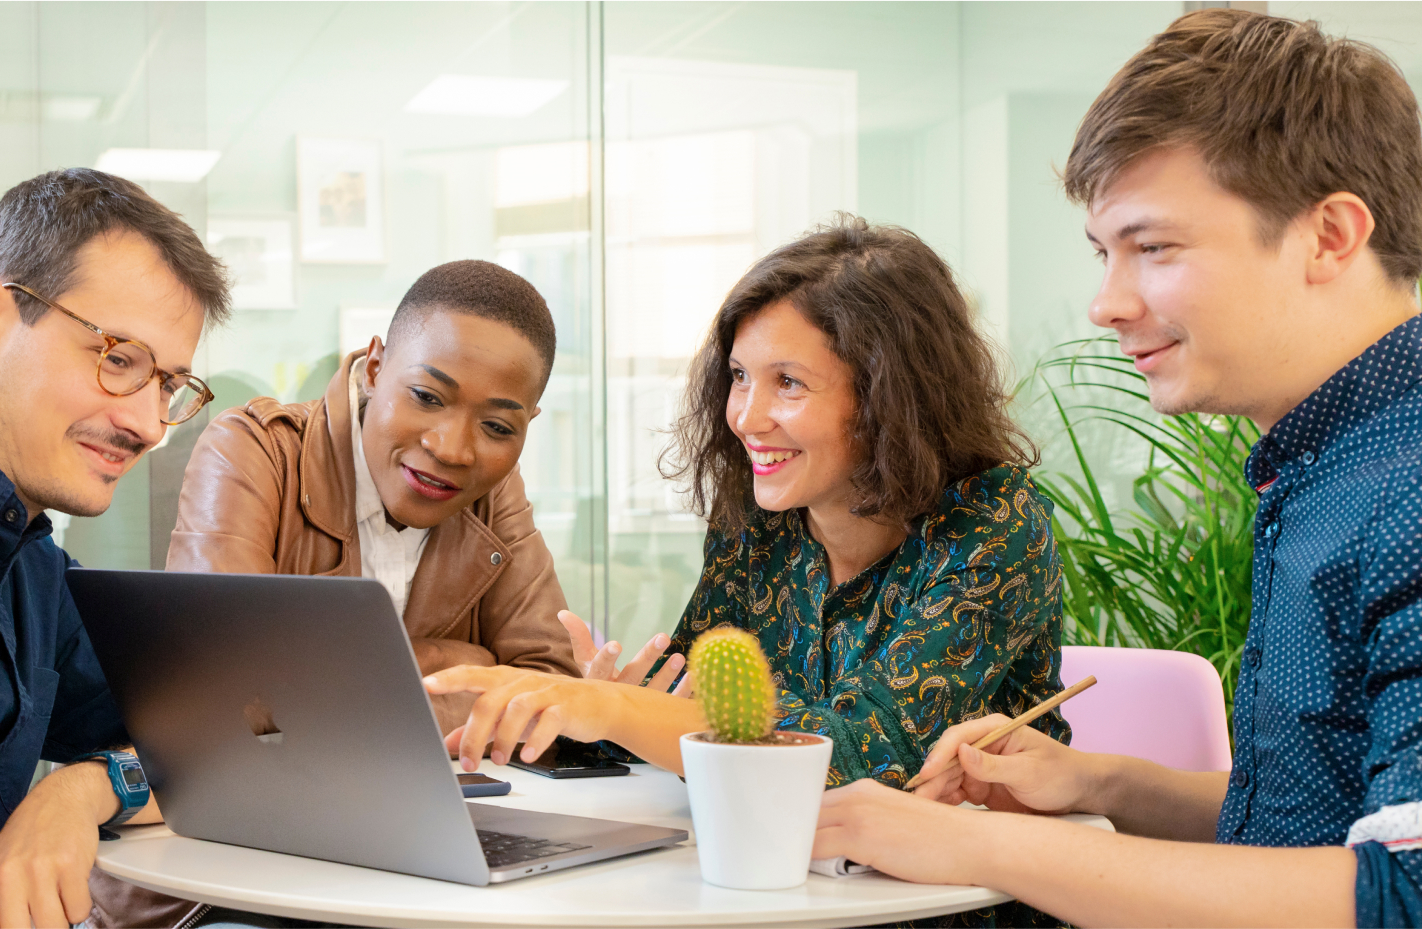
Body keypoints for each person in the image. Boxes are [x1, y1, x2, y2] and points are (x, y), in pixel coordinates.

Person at [811, 10, 1422, 928]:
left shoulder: (1404, 488)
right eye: (1105, 253)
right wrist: (1095, 782)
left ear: (1329, 236)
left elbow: (1404, 893)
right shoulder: (1324, 466)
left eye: (1154, 246)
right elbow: (1327, 827)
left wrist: (974, 845)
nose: (1107, 302)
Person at [427, 218, 1071, 789]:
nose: (745, 417)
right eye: (739, 377)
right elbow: (681, 706)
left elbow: (865, 757)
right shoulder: (759, 522)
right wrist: (596, 710)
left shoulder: (995, 523)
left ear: (891, 397)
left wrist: (629, 713)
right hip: (780, 876)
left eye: (788, 383)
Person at [0, 169, 232, 929]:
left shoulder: (27, 559)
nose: (147, 424)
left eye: (169, 384)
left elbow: (206, 741)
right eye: (118, 359)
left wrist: (80, 790)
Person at [168, 259, 579, 735]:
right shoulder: (256, 450)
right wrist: (461, 665)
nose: (451, 449)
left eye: (497, 426)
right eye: (427, 396)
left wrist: (330, 677)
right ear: (376, 368)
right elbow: (216, 692)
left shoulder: (495, 492)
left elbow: (554, 695)